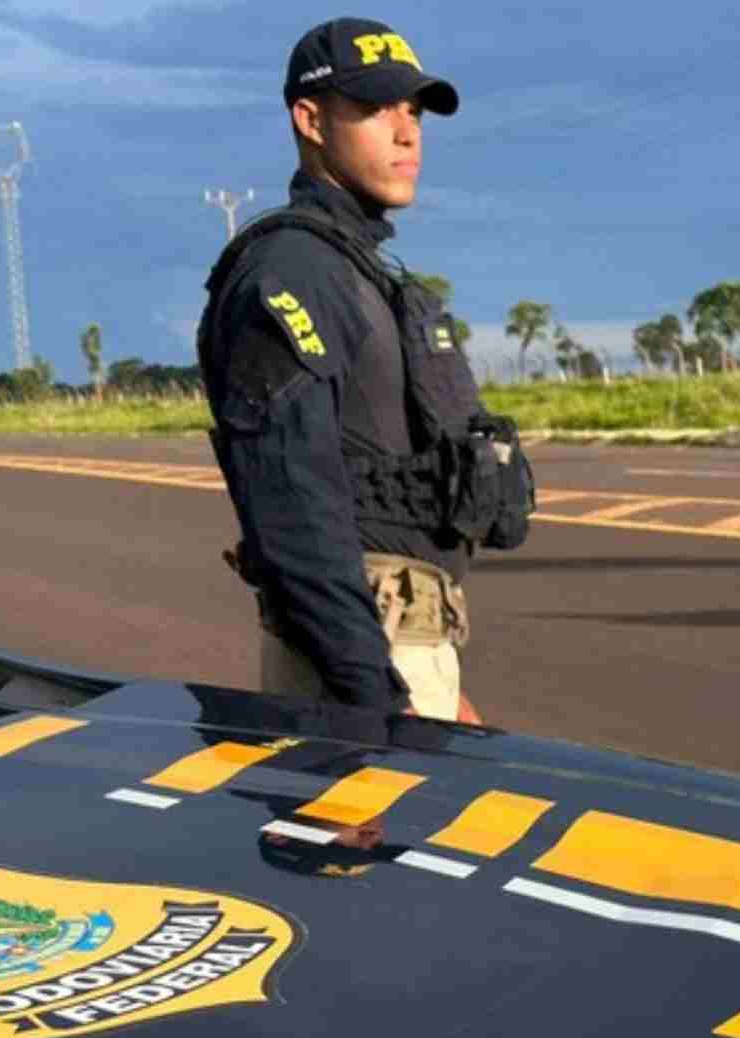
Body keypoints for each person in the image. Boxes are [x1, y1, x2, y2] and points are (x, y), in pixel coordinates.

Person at [196, 18, 533, 722]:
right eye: (377, 108)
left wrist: (438, 682)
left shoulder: (358, 273)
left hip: (401, 654)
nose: (407, 132)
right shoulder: (291, 273)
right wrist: (375, 696)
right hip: (355, 676)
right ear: (310, 119)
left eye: (413, 111)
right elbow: (293, 510)